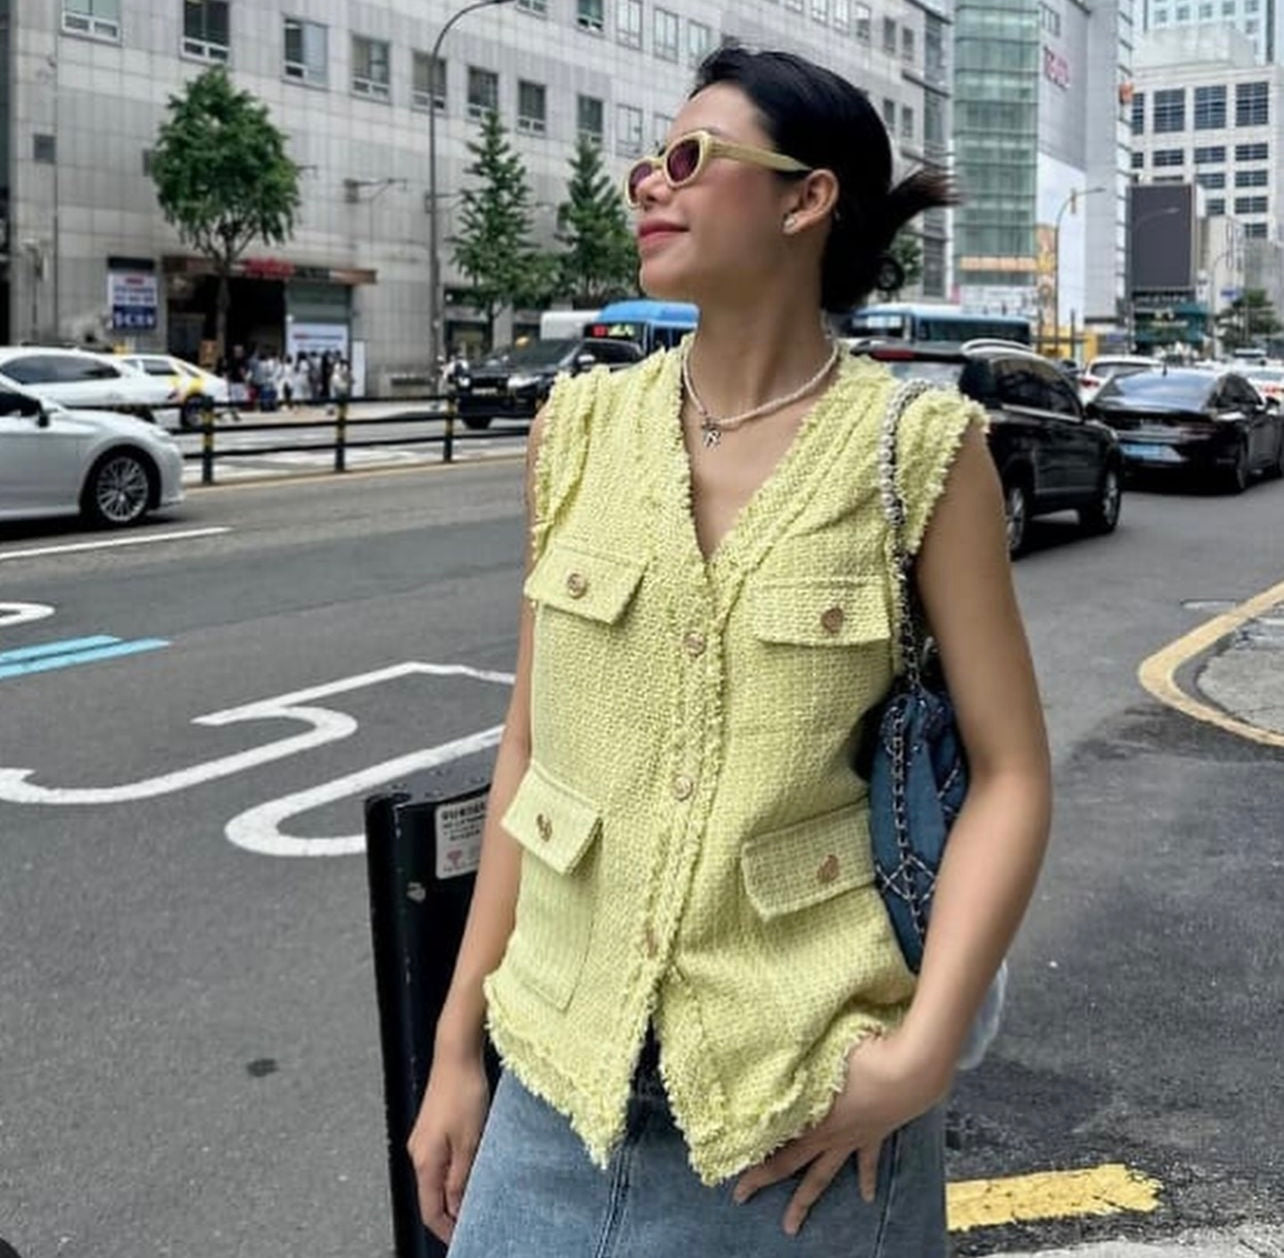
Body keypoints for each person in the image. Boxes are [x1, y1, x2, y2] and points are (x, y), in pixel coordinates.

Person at [409, 46, 1051, 1258]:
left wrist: (921, 1056)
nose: (650, 182)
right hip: (553, 1084)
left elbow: (1012, 771)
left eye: (689, 157)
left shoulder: (917, 450)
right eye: (648, 162)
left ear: (808, 199)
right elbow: (530, 753)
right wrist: (455, 1047)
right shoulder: (575, 431)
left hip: (809, 1117)